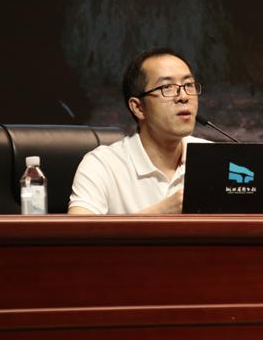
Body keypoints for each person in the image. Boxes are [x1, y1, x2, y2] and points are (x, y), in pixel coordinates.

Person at [67, 47, 207, 215]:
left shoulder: (214, 158)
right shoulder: (102, 165)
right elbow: (80, 234)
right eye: (167, 87)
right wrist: (158, 215)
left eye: (188, 85)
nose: (184, 96)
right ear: (138, 108)